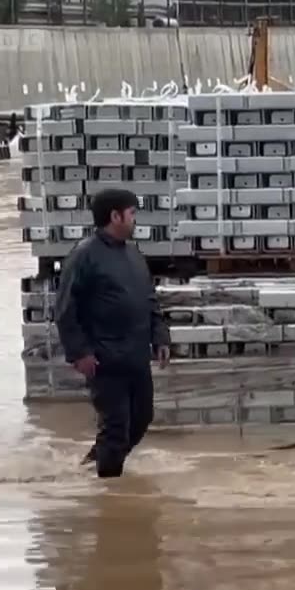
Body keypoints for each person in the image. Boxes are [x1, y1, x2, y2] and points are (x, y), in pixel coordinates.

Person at [55, 189, 170, 479]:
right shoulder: (84, 256)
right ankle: (108, 491)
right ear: (115, 216)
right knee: (116, 426)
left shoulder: (133, 254)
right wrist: (79, 353)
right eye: (132, 214)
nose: (135, 220)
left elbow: (149, 299)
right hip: (104, 359)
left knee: (142, 418)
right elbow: (65, 309)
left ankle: (97, 462)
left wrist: (160, 336)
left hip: (136, 355)